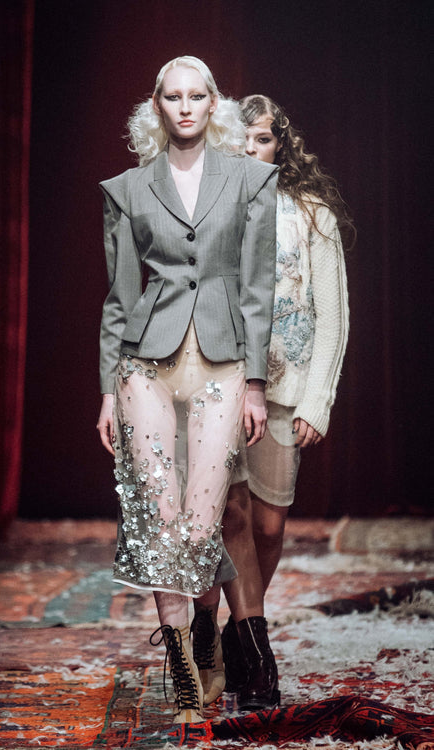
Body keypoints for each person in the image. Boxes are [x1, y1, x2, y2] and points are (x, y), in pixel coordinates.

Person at [96, 59, 278, 723]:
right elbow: (120, 299)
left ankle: (215, 640)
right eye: (172, 97)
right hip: (146, 362)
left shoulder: (252, 180)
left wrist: (255, 384)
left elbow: (257, 289)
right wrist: (108, 391)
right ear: (157, 105)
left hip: (224, 364)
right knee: (158, 514)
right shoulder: (127, 189)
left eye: (196, 96)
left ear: (213, 102)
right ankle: (180, 661)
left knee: (202, 523)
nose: (184, 107)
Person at [217, 94, 352, 710]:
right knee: (232, 517)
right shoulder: (213, 204)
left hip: (283, 393)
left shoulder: (311, 212)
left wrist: (317, 401)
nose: (252, 149)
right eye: (242, 139)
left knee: (269, 527)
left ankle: (238, 629)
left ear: (280, 146)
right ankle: (251, 647)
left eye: (263, 138)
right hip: (223, 387)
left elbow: (333, 316)